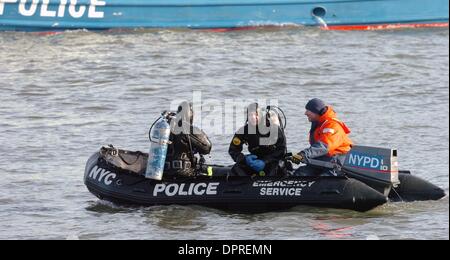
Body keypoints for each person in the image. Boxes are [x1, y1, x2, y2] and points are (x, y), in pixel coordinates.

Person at [292, 98, 353, 176]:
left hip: (338, 161)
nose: (305, 113)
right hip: (325, 160)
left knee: (323, 179)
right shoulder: (320, 124)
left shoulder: (332, 126)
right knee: (300, 174)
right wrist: (293, 156)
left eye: (308, 110)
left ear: (316, 112)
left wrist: (303, 154)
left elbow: (324, 146)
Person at [229, 103, 287, 176]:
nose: (253, 117)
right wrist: (245, 159)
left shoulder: (273, 128)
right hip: (254, 161)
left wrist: (265, 161)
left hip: (272, 161)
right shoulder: (243, 131)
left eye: (256, 114)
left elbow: (282, 150)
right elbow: (233, 150)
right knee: (236, 168)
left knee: (279, 166)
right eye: (250, 115)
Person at [165, 101, 212, 177]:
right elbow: (207, 148)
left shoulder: (165, 128)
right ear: (190, 115)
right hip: (184, 173)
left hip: (165, 172)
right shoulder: (189, 129)